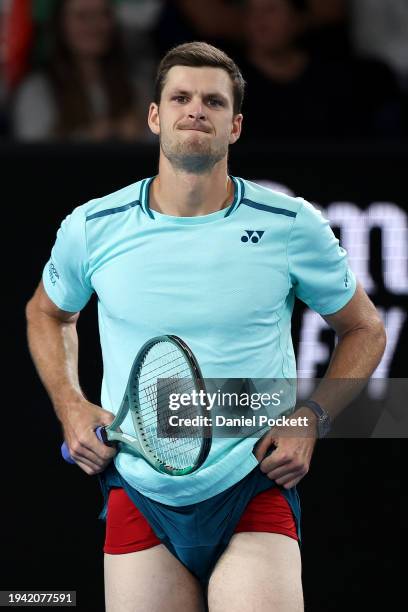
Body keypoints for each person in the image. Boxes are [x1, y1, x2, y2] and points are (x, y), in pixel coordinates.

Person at [26, 41, 386, 611]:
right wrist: (69, 403)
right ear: (155, 116)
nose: (196, 109)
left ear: (235, 126)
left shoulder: (290, 224)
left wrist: (312, 419)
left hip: (251, 484)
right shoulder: (92, 226)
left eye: (214, 102)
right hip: (139, 489)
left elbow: (365, 329)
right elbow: (47, 312)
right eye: (181, 97)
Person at [13, 0, 146, 141]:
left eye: (104, 15)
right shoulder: (36, 89)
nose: (95, 25)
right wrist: (94, 135)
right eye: (82, 16)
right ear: (61, 24)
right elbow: (32, 152)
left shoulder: (135, 85)